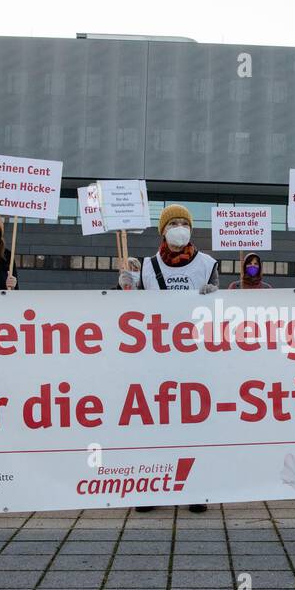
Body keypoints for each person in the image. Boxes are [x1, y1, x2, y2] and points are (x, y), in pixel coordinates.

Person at [119, 204, 218, 514]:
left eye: (183, 222)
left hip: (195, 358)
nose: (178, 227)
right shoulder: (146, 267)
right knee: (153, 426)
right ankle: (150, 487)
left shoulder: (207, 264)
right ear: (162, 230)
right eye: (172, 223)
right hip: (155, 358)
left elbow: (219, 310)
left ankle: (196, 487)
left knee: (193, 425)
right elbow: (130, 312)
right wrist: (124, 287)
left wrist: (215, 296)